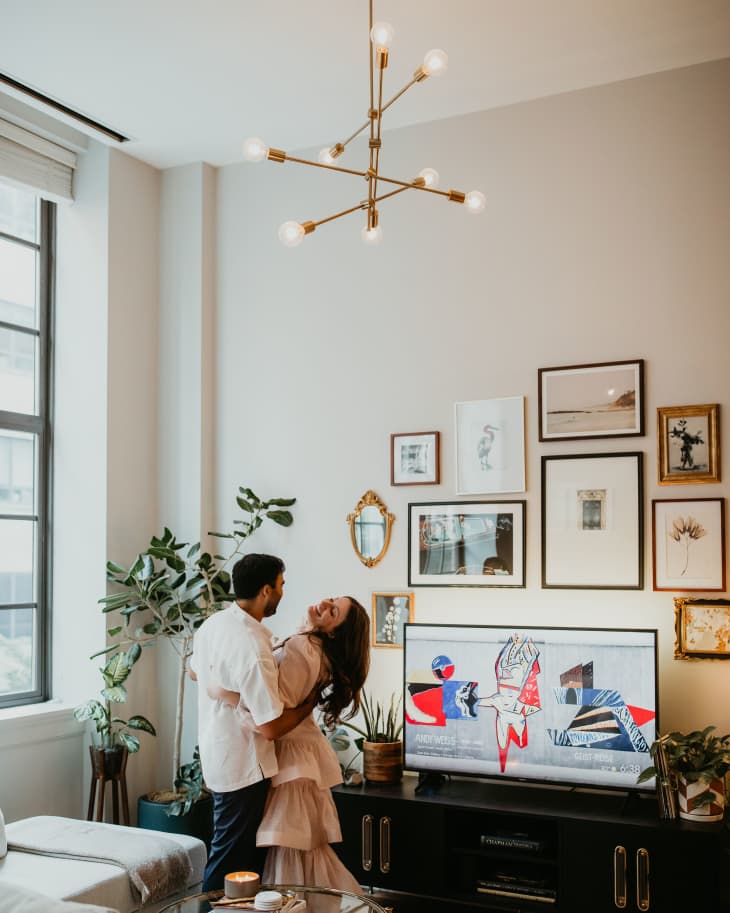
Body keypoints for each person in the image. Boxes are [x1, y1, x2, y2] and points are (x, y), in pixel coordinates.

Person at [208, 594, 370, 891]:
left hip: (290, 761)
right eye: (331, 599)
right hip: (299, 755)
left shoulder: (304, 647)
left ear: (333, 631)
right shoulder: (309, 644)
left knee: (284, 850)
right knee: (291, 849)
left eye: (332, 611)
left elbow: (270, 710)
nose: (324, 604)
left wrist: (219, 690)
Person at [189, 553, 317, 892]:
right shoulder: (254, 647)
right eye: (281, 585)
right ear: (265, 591)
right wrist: (308, 705)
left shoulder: (215, 623)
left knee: (232, 851)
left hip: (217, 753)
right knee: (232, 859)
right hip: (243, 764)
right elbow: (271, 726)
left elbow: (193, 671)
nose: (282, 592)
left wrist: (228, 693)